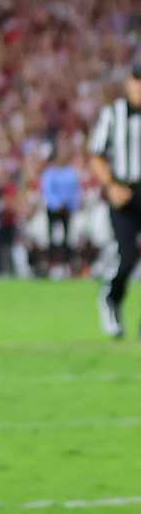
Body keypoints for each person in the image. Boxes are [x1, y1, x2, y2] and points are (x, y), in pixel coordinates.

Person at [89, 66, 141, 337]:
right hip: (124, 193)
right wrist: (110, 185)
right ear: (128, 83)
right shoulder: (113, 114)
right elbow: (96, 155)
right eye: (137, 81)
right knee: (128, 257)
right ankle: (111, 300)